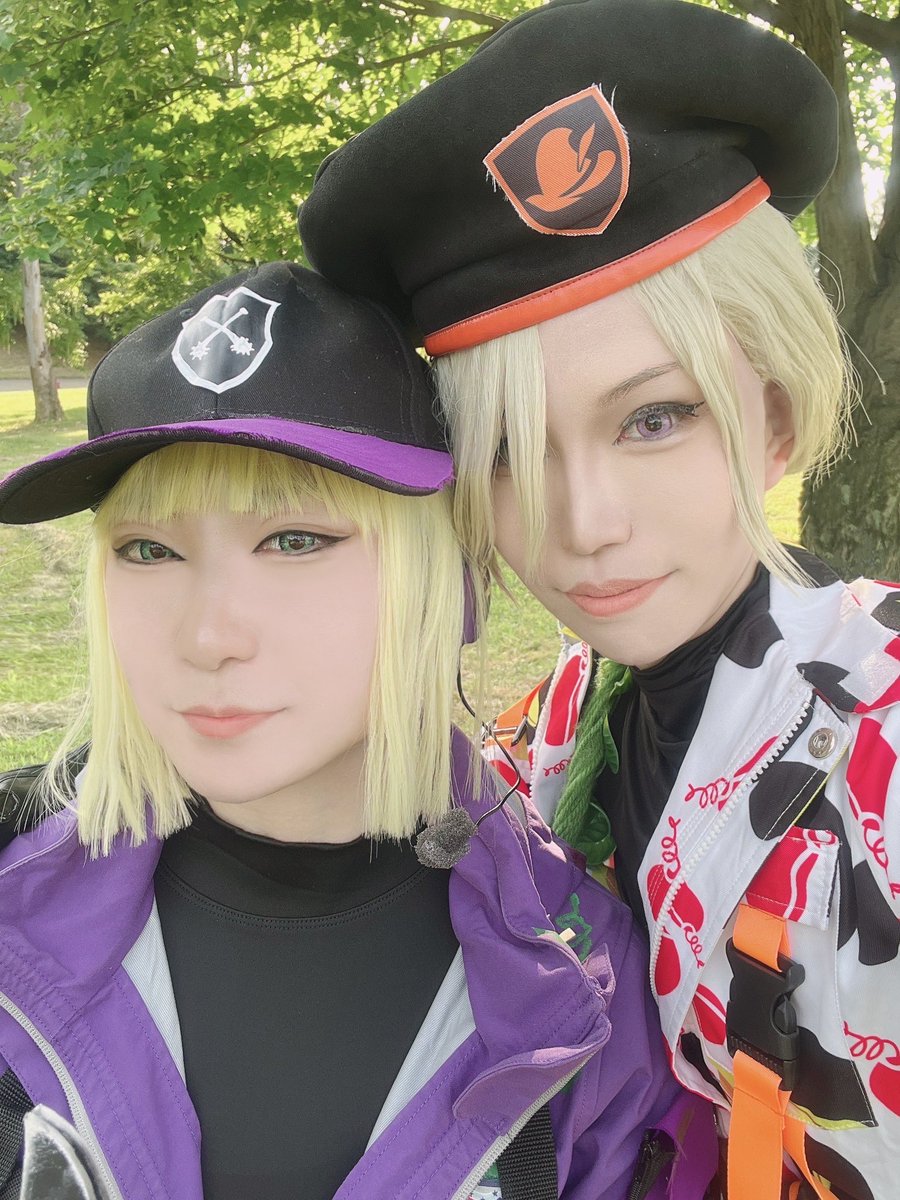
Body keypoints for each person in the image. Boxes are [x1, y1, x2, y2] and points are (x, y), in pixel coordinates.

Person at [297, 2, 900, 1198]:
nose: (584, 525)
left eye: (654, 418)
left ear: (776, 417)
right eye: (506, 450)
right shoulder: (569, 714)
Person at [0, 262, 716, 1200]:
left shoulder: (590, 989)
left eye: (296, 540)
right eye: (149, 549)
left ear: (448, 576)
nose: (208, 637)